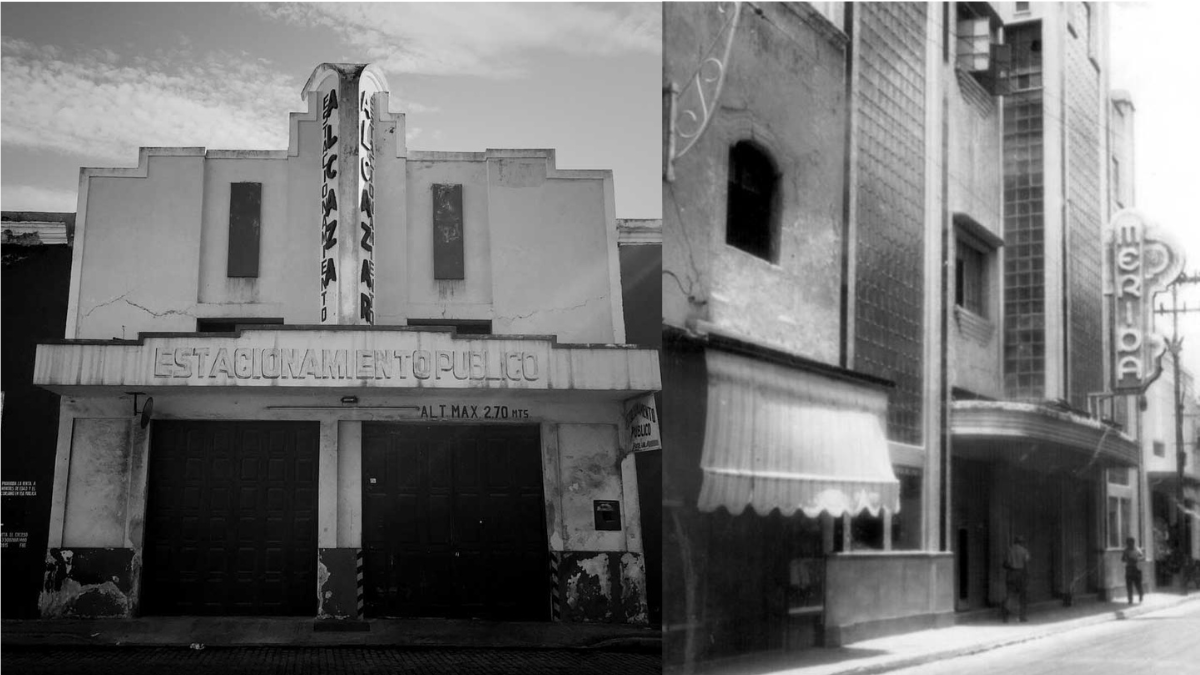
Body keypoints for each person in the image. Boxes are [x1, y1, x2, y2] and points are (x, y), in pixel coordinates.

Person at [1002, 535, 1031, 623]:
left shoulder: (1009, 550)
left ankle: (1006, 616)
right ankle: (1022, 617)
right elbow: (1026, 564)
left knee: (1010, 595)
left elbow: (1005, 564)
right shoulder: (1024, 551)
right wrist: (1027, 576)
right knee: (1023, 596)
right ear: (1022, 542)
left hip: (1011, 574)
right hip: (1021, 574)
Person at [1121, 537, 1145, 604]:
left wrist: (1137, 559)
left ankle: (1141, 595)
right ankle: (1130, 599)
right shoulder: (1126, 550)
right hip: (1129, 568)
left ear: (1133, 543)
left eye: (1130, 543)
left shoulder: (1137, 550)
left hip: (1136, 568)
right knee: (1129, 585)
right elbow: (1122, 559)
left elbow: (1143, 557)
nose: (1129, 545)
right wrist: (1127, 559)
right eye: (1128, 543)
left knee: (1138, 584)